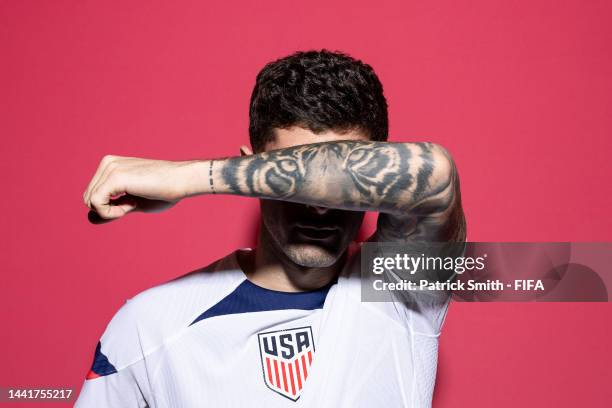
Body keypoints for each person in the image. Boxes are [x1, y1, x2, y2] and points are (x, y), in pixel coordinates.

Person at [75, 49, 466, 407]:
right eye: (296, 178)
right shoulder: (152, 324)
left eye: (339, 187)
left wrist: (188, 176)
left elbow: (435, 174)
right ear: (252, 167)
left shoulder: (401, 289)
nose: (319, 205)